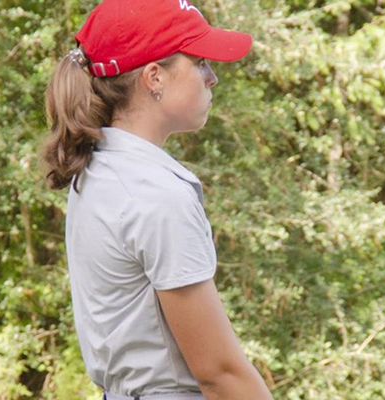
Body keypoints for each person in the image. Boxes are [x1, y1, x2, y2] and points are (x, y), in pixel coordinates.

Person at [41, 0, 274, 399]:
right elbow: (219, 374)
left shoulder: (100, 170)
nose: (212, 77)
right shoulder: (154, 193)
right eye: (200, 62)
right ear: (154, 78)